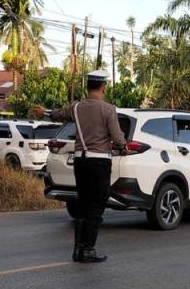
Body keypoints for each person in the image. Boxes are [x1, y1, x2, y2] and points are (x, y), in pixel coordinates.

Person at [32, 70, 126, 263]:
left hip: (80, 162)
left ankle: (78, 249)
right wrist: (123, 146)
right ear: (103, 87)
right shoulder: (109, 109)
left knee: (83, 203)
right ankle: (89, 249)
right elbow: (117, 138)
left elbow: (57, 114)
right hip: (99, 162)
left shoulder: (76, 107)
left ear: (88, 86)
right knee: (97, 204)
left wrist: (45, 112)